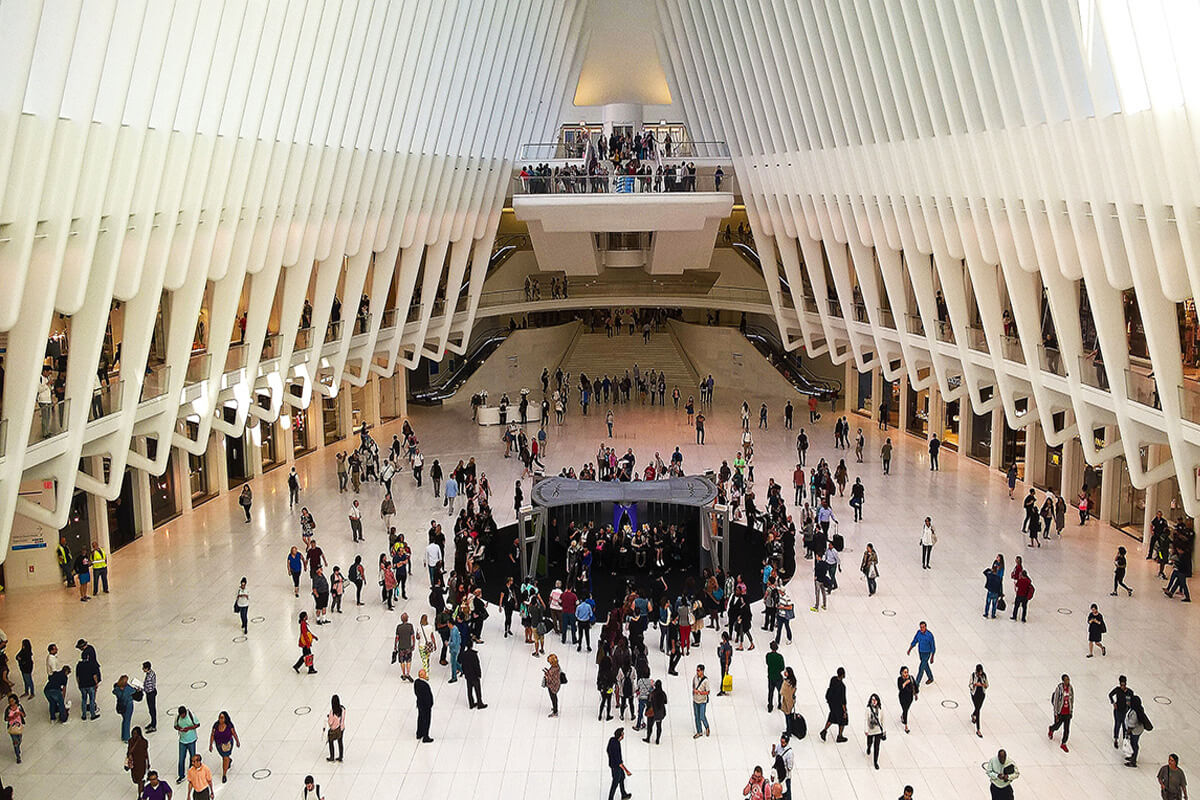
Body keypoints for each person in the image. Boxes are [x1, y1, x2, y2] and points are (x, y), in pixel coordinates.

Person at [207, 711, 239, 783]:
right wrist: (211, 744)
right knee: (224, 757)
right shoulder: (216, 725)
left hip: (228, 744)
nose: (220, 719)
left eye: (222, 718)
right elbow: (212, 734)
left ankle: (224, 774)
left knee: (225, 757)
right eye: (219, 718)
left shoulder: (229, 725)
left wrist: (237, 741)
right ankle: (229, 761)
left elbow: (234, 733)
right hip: (219, 744)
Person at [819, 667, 848, 742]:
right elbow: (843, 700)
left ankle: (824, 731)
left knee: (832, 717)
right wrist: (845, 711)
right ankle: (840, 736)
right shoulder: (842, 686)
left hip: (832, 703)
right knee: (843, 720)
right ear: (842, 675)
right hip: (838, 706)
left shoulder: (833, 679)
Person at [174, 706, 200, 785]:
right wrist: (180, 728)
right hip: (182, 741)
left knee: (193, 757)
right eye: (181, 715)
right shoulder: (177, 717)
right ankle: (181, 775)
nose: (182, 716)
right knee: (181, 758)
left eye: (183, 715)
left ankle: (192, 772)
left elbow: (197, 724)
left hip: (191, 740)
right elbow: (175, 726)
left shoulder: (191, 715)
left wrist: (189, 728)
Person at [1049, 674, 1074, 752]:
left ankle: (1064, 743)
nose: (1068, 681)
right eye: (1066, 680)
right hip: (1060, 712)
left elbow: (1072, 699)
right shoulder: (1059, 689)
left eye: (1068, 679)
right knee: (1057, 726)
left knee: (1067, 729)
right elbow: (1056, 701)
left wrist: (1071, 710)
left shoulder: (1070, 688)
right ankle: (1051, 729)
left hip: (1067, 712)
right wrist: (1056, 713)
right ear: (1063, 681)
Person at [1125, 694, 1152, 767]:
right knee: (1134, 744)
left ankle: (1133, 761)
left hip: (1135, 731)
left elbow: (1131, 724)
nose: (1128, 702)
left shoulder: (1134, 713)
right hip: (1138, 730)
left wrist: (1127, 732)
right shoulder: (1138, 709)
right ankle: (1133, 756)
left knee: (1134, 745)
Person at [607, 727, 632, 800]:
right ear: (620, 736)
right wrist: (627, 771)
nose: (623, 735)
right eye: (622, 734)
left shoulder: (612, 740)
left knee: (622, 778)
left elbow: (607, 750)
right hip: (616, 767)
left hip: (612, 764)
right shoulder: (617, 746)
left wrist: (611, 758)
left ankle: (623, 794)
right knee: (615, 783)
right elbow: (619, 763)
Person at [460, 641, 486, 709]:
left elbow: (463, 665)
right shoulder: (474, 654)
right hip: (474, 675)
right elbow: (477, 665)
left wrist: (464, 673)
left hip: (468, 675)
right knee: (477, 690)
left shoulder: (463, 654)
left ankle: (471, 703)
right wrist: (479, 674)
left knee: (469, 690)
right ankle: (479, 703)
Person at [1109, 675, 1134, 749]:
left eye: (1124, 685)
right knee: (1117, 725)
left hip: (1125, 712)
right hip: (1118, 711)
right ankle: (1116, 739)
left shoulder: (1130, 692)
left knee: (1124, 727)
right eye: (1121, 685)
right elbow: (1110, 695)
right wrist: (1113, 703)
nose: (1122, 686)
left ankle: (1124, 740)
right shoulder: (1117, 690)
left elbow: (1132, 701)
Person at [113, 673, 138, 741]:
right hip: (128, 706)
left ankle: (123, 735)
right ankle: (126, 737)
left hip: (120, 705)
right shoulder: (127, 689)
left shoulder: (117, 689)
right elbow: (134, 691)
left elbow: (114, 691)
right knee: (127, 721)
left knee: (124, 720)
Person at [865, 693, 885, 770]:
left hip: (878, 731)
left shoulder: (880, 709)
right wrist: (866, 730)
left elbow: (883, 720)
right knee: (869, 742)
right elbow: (865, 720)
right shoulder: (868, 709)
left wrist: (884, 730)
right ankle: (868, 747)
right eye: (872, 700)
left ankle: (875, 761)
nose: (874, 701)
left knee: (877, 747)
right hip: (870, 729)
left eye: (875, 700)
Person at [772, 732, 795, 798]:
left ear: (787, 743)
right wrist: (773, 749)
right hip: (778, 773)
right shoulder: (779, 745)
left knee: (787, 791)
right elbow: (774, 755)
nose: (782, 744)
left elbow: (790, 767)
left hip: (785, 775)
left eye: (783, 743)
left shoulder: (790, 753)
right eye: (781, 742)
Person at [414, 668, 434, 742]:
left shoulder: (416, 682)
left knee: (420, 718)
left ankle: (419, 733)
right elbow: (427, 696)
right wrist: (430, 704)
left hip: (420, 704)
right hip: (426, 706)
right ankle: (426, 736)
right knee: (426, 720)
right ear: (422, 675)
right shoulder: (425, 685)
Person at [691, 664, 711, 738]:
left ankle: (707, 727)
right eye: (697, 670)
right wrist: (694, 691)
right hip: (695, 700)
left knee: (702, 716)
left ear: (702, 671)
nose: (697, 672)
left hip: (702, 701)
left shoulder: (706, 681)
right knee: (696, 716)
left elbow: (708, 692)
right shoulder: (695, 678)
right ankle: (699, 731)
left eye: (699, 670)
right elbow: (693, 686)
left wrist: (700, 692)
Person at [325, 695, 346, 762]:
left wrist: (329, 717)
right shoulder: (343, 709)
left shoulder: (332, 712)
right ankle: (340, 756)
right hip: (341, 728)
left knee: (331, 742)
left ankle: (332, 757)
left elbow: (330, 722)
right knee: (340, 742)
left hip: (334, 730)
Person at [765, 640, 784, 712]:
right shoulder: (780, 657)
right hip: (778, 677)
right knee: (780, 691)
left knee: (770, 692)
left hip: (770, 676)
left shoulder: (768, 655)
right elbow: (782, 667)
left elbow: (767, 663)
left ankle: (770, 706)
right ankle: (779, 704)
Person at [5, 694, 24, 764]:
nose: (11, 702)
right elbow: (6, 718)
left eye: (12, 701)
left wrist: (20, 713)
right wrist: (12, 717)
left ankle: (17, 747)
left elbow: (24, 715)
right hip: (12, 727)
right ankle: (18, 756)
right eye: (9, 701)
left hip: (19, 726)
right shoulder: (8, 709)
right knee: (15, 742)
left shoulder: (19, 707)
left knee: (19, 740)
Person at [969, 664, 988, 738]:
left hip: (982, 694)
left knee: (978, 708)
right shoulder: (973, 675)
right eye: (979, 672)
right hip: (974, 694)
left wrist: (983, 684)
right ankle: (978, 729)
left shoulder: (984, 676)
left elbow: (987, 685)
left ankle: (973, 715)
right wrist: (975, 684)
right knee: (978, 710)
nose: (980, 673)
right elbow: (970, 685)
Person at [897, 666, 916, 733]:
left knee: (906, 709)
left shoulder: (911, 678)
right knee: (905, 710)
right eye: (905, 672)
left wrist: (916, 694)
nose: (906, 674)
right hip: (902, 697)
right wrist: (905, 683)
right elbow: (900, 688)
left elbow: (915, 686)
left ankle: (903, 716)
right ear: (901, 673)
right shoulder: (900, 679)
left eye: (907, 672)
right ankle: (906, 725)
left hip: (910, 697)